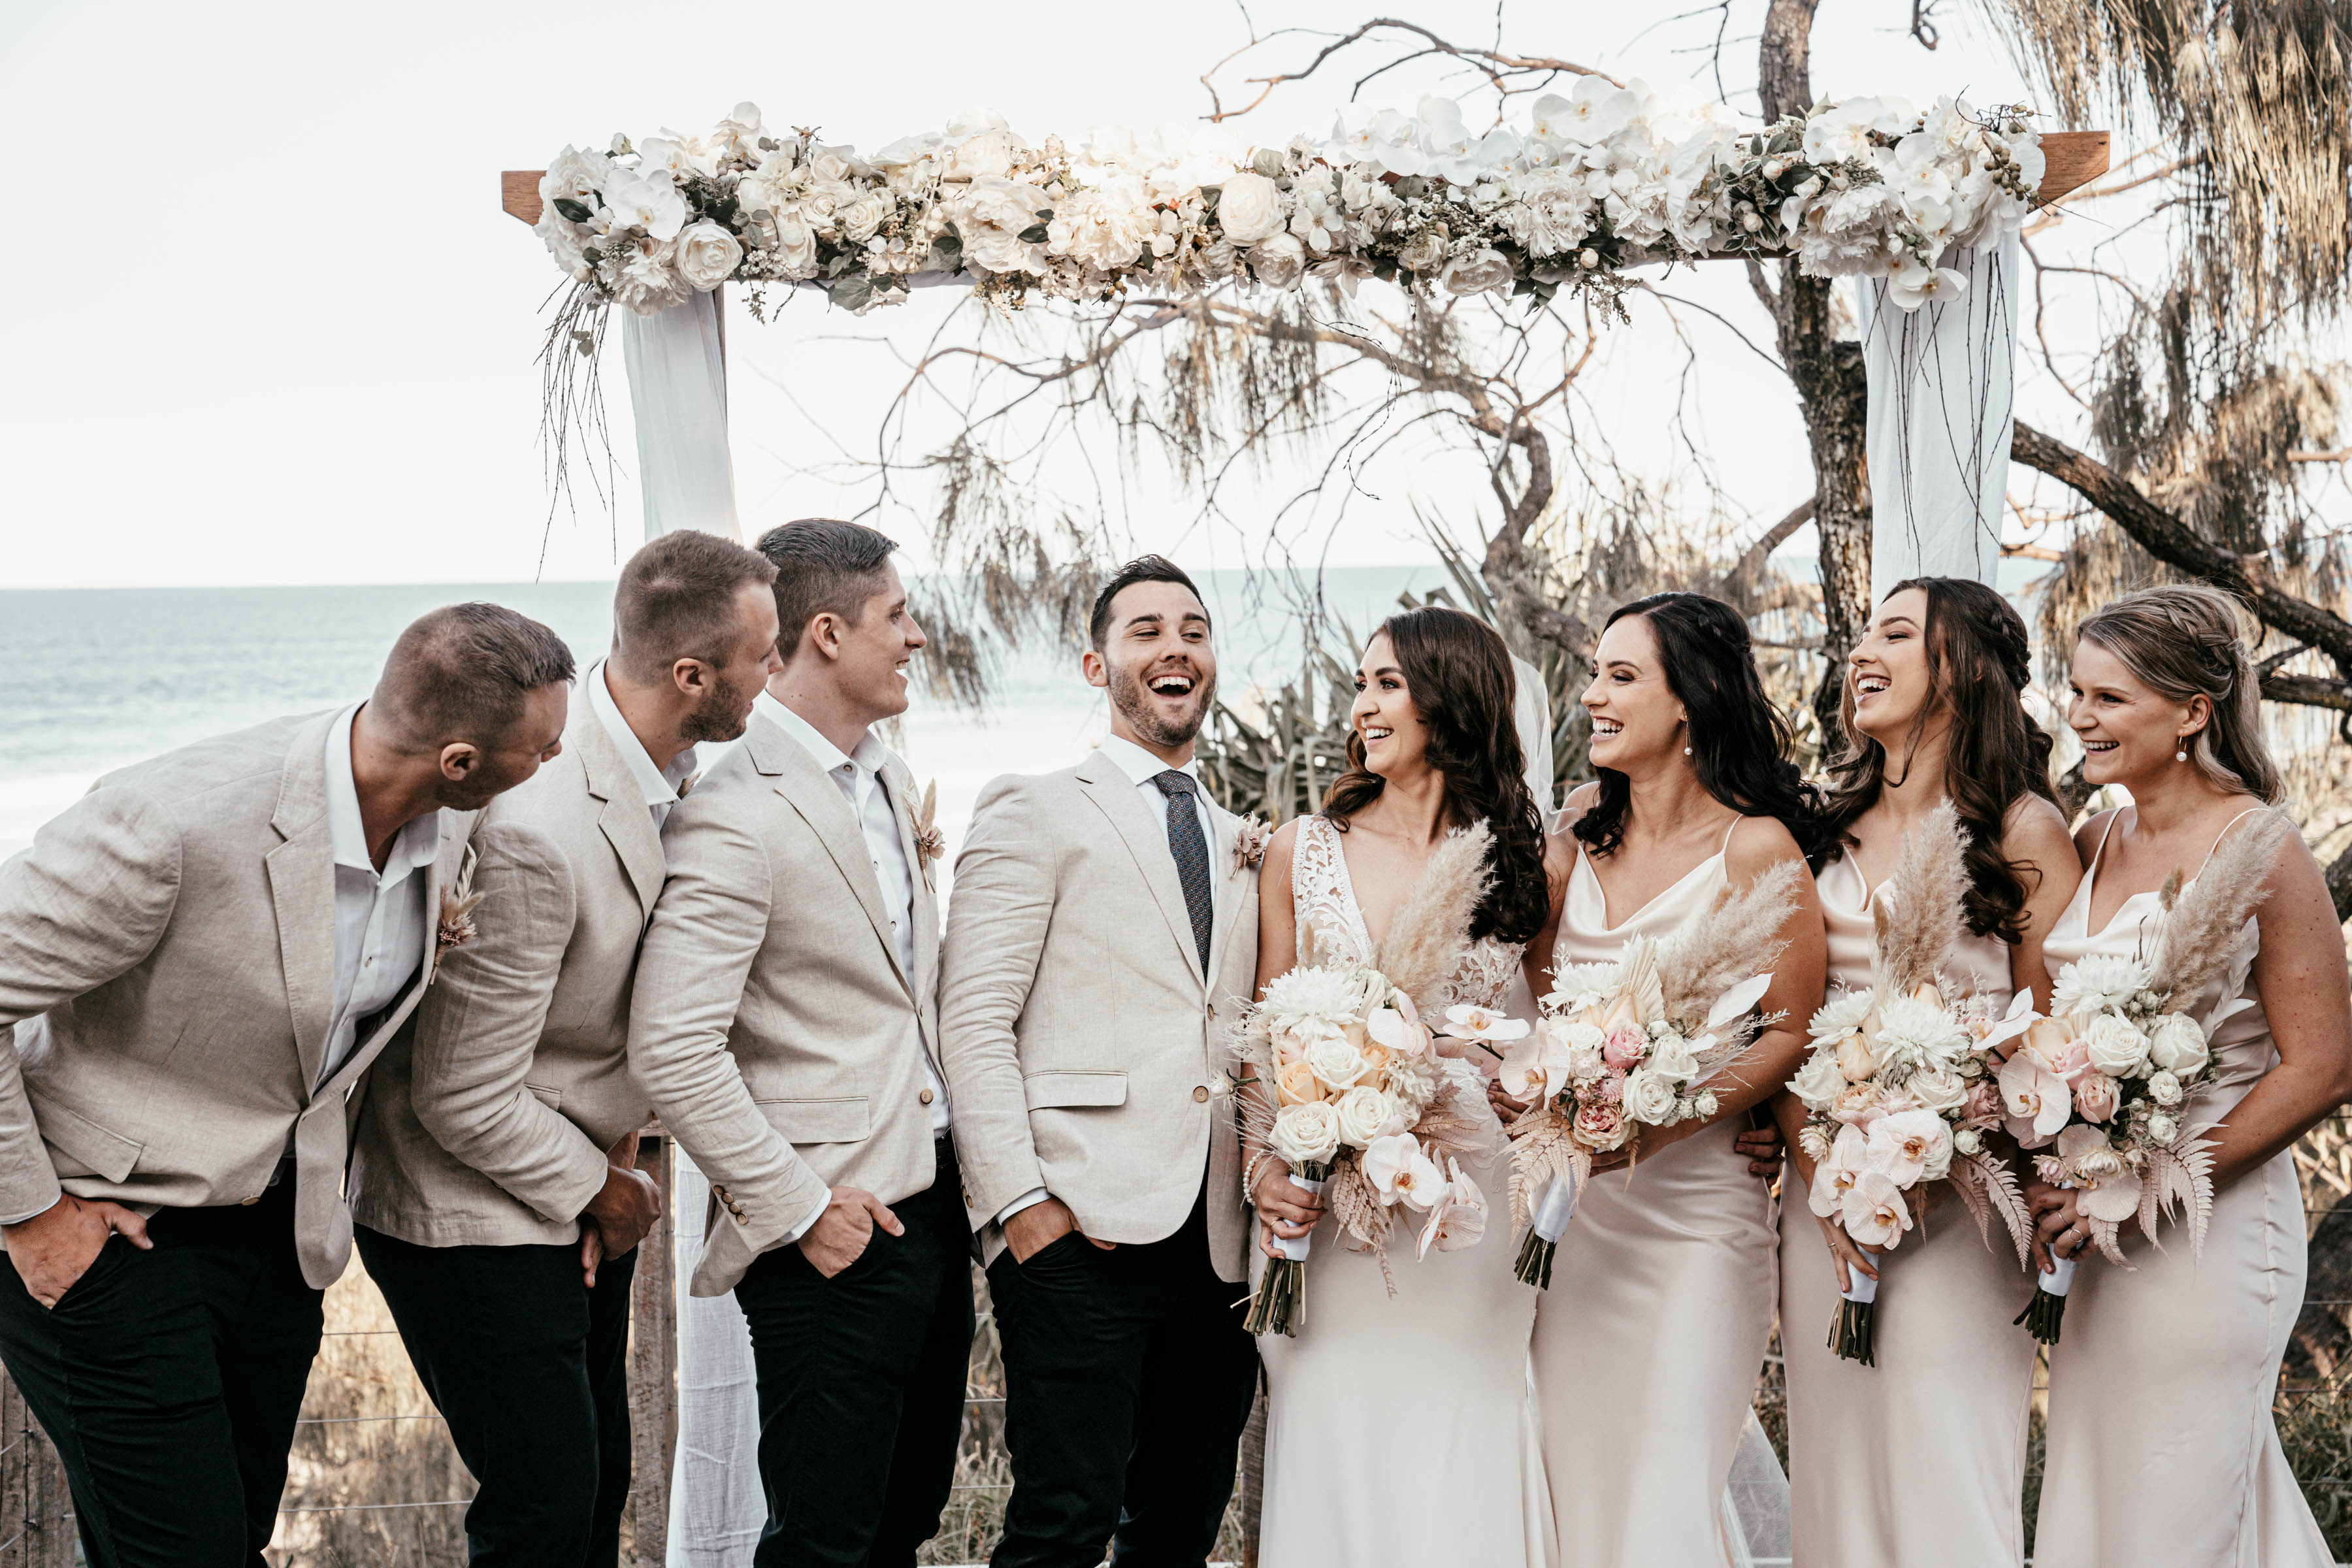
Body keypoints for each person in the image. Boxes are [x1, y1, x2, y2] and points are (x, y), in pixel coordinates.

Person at [0, 602, 574, 1567]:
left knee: (234, 1538)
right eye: (545, 749)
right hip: (112, 1231)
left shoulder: (452, 831)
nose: (556, 765)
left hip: (279, 1245)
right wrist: (31, 1218)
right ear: (460, 762)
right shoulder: (169, 823)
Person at [349, 532, 781, 1565]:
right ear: (693, 676)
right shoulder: (540, 824)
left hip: (563, 1196)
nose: (776, 675)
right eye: (765, 656)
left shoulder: (663, 770)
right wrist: (604, 1189)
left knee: (590, 1499)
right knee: (544, 1517)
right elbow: (459, 1094)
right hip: (467, 1217)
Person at [627, 519, 968, 1568]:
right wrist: (801, 1207)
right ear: (826, 633)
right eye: (897, 617)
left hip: (932, 1204)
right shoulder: (733, 812)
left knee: (904, 1521)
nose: (916, 638)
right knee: (824, 1541)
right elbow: (672, 1045)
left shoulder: (887, 779)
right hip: (834, 1233)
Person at [939, 556, 1260, 1568]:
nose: (1176, 648)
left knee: (1181, 1523)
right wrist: (1019, 1208)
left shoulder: (1247, 841)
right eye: (1147, 631)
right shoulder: (1032, 809)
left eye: (1195, 631)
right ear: (1097, 663)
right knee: (1060, 1524)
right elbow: (974, 1022)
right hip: (1078, 1232)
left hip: (1220, 1243)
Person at [2027, 585, 2348, 1567]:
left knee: (2176, 1508)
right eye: (2075, 693)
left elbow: (2328, 1065)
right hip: (2100, 1242)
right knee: (2124, 1500)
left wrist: (2152, 1182)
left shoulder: (2262, 845)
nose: (2080, 716)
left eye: (2110, 699)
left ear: (2192, 712)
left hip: (2213, 1237)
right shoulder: (2092, 839)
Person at [1510, 591, 1827, 1568]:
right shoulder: (1574, 848)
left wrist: (1653, 1124)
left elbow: (1787, 1035)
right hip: (1576, 1223)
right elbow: (1537, 1002)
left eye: (1620, 676)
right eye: (1595, 674)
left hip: (1697, 1218)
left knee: (1665, 1489)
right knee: (1582, 1488)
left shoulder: (1757, 847)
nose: (1593, 696)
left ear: (1688, 699)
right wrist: (1566, 1105)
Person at [1772, 578, 2080, 1567]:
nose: (1864, 651)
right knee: (1838, 1486)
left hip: (1962, 1207)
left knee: (1947, 1478)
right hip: (1820, 1203)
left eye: (1896, 633)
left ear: (1964, 670)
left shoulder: (2024, 829)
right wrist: (1823, 1178)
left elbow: (2050, 1037)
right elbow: (1782, 1026)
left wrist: (1951, 1140)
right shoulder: (1820, 822)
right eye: (1864, 633)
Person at [1247, 606, 1554, 1567]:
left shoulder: (1529, 861)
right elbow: (1266, 1028)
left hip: (1469, 1204)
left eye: (1387, 684)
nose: (1362, 707)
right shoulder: (1306, 848)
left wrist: (1514, 1085)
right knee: (1334, 1421)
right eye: (1361, 684)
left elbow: (1547, 1036)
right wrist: (1270, 1163)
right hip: (1325, 1204)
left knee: (1462, 1424)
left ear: (1450, 697)